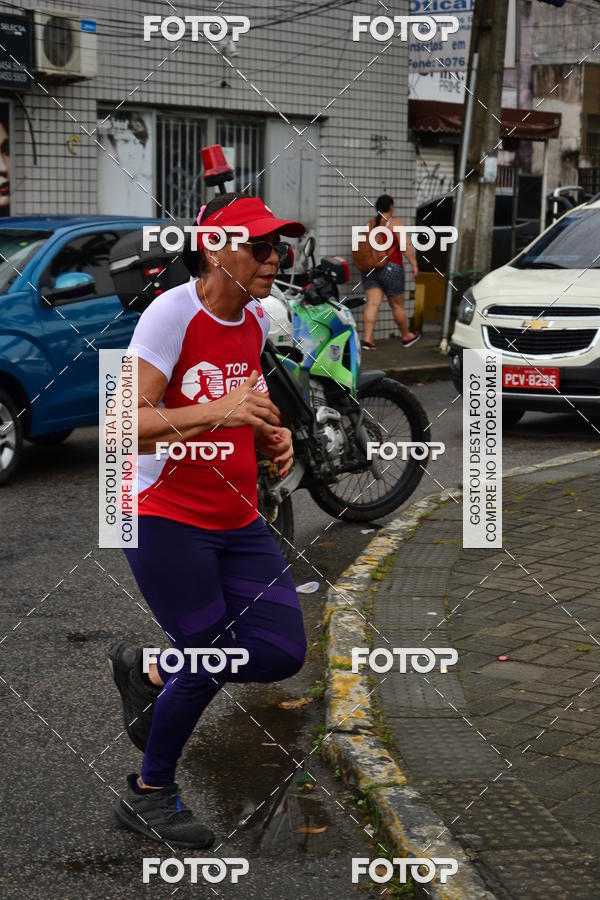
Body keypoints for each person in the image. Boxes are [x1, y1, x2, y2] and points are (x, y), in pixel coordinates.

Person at [108, 192, 307, 848]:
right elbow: (121, 429)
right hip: (168, 518)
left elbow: (245, 397)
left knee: (282, 650)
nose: (276, 259)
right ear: (218, 249)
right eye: (262, 247)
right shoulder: (172, 314)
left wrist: (273, 435)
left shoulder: (253, 319)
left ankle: (155, 671)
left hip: (238, 518)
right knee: (212, 654)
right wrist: (216, 413)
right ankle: (150, 793)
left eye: (281, 247)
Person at [361, 194, 420, 350]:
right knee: (397, 306)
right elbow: (406, 247)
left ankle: (368, 340)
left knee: (372, 304)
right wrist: (414, 264)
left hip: (370, 269)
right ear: (391, 207)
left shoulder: (370, 224)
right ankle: (406, 336)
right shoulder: (395, 223)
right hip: (391, 268)